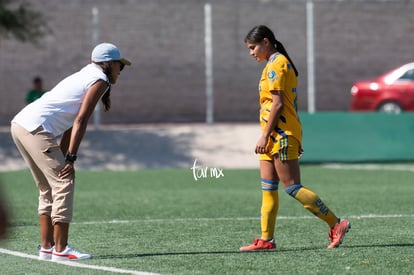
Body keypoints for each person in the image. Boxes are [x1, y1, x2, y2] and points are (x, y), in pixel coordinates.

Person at [10, 43, 131, 260]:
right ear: (109, 64)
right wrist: (70, 159)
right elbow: (80, 120)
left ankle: (47, 248)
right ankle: (61, 249)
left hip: (20, 124)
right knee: (64, 181)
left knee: (48, 186)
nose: (120, 72)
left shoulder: (85, 73)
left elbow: (68, 124)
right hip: (34, 128)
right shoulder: (99, 80)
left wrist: (64, 155)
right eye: (119, 66)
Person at [240, 25, 350, 251]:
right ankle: (266, 240)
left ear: (266, 42)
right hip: (274, 136)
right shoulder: (272, 64)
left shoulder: (277, 64)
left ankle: (336, 224)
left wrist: (265, 136)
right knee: (268, 188)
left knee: (291, 187)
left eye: (253, 47)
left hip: (280, 135)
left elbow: (278, 104)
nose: (251, 52)